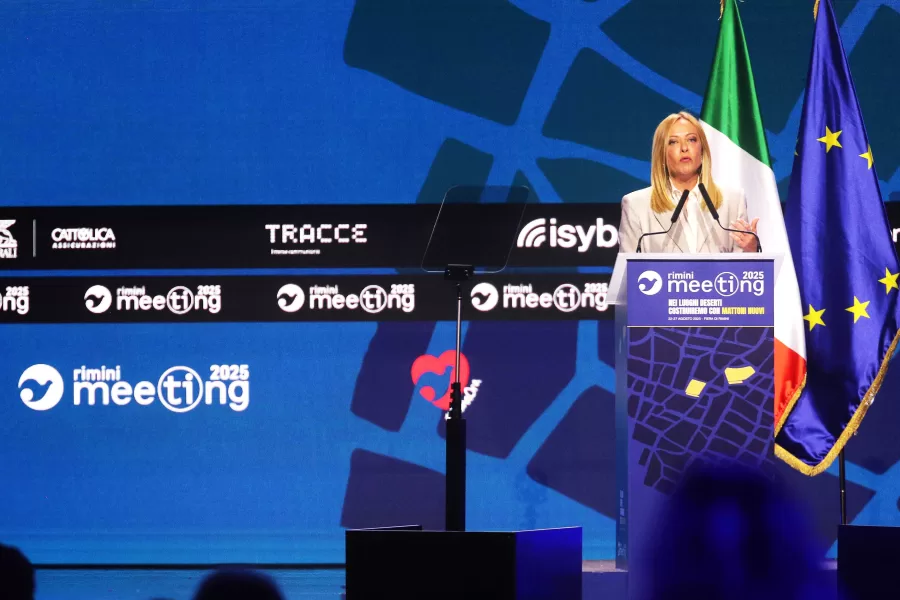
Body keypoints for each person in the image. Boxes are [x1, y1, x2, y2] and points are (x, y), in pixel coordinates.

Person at [618, 111, 759, 253]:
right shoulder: (636, 205)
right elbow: (627, 271)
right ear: (662, 154)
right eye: (673, 142)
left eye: (691, 140)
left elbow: (745, 271)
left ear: (702, 150)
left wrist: (751, 250)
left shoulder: (733, 200)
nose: (684, 148)